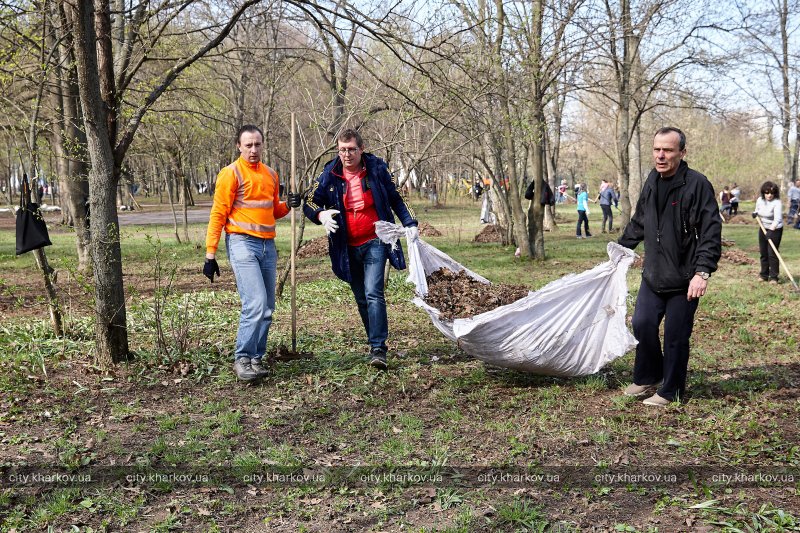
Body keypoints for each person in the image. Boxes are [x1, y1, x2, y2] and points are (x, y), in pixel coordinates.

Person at [618, 127, 721, 407]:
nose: (661, 156)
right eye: (656, 149)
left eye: (668, 150)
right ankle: (648, 375)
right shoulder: (652, 179)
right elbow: (641, 219)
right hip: (654, 274)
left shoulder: (697, 184)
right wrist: (621, 248)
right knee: (642, 324)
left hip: (685, 278)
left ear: (682, 153)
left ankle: (671, 390)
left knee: (676, 336)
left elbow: (711, 231)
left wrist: (702, 272)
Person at [302, 129, 418, 370]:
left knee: (374, 292)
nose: (346, 154)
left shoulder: (377, 169)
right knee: (361, 298)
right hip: (345, 246)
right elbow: (310, 201)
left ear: (361, 149)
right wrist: (320, 214)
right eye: (342, 150)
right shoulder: (329, 173)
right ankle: (373, 342)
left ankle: (378, 348)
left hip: (375, 239)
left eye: (351, 149)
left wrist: (410, 223)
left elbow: (396, 197)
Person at [203, 125, 302, 382]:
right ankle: (242, 358)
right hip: (241, 242)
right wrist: (210, 254)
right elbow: (218, 214)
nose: (254, 150)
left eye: (257, 144)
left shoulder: (270, 174)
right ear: (239, 146)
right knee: (255, 303)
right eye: (248, 145)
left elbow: (272, 212)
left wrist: (288, 206)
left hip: (267, 246)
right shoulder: (230, 173)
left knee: (267, 307)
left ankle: (257, 359)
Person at [753, 181, 783, 283]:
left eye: (772, 193)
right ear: (763, 193)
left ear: (775, 193)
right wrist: (755, 213)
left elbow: (777, 219)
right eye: (767, 193)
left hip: (775, 229)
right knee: (763, 252)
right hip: (763, 227)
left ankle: (774, 277)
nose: (769, 195)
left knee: (772, 253)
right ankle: (764, 275)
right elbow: (757, 210)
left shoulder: (777, 203)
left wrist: (771, 230)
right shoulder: (760, 200)